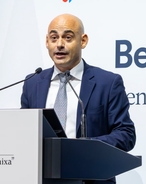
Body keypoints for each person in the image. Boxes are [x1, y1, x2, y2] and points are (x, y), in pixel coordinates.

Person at [21, 13, 136, 184]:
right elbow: (25, 133)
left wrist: (84, 147)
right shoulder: (33, 83)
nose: (59, 44)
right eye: (54, 38)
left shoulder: (108, 83)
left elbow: (126, 134)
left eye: (67, 37)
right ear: (47, 42)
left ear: (83, 41)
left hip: (91, 179)